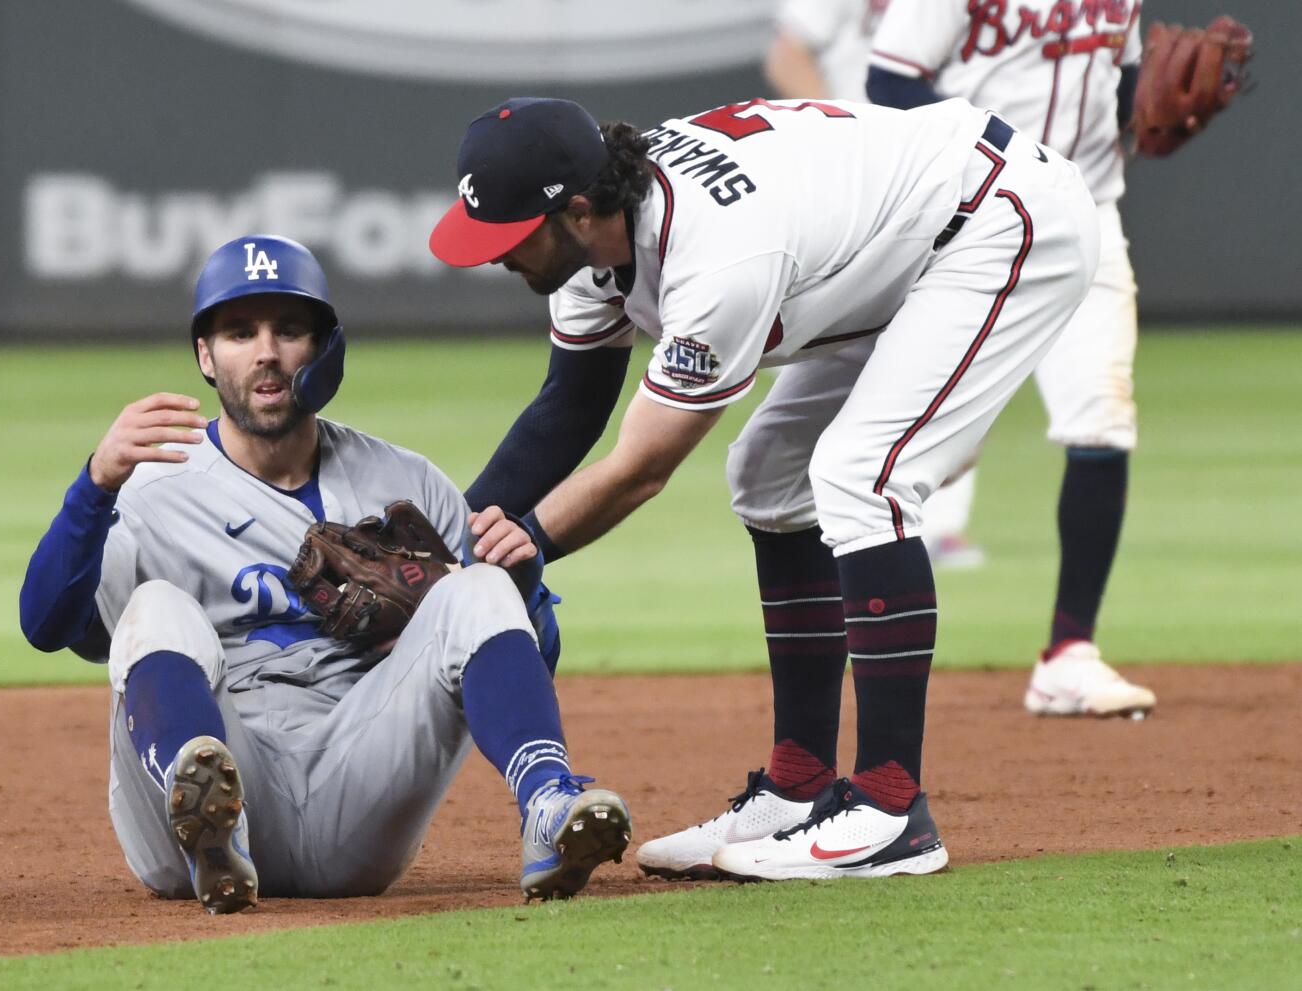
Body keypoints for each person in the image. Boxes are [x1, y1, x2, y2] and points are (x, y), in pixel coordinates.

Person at [429, 96, 1099, 881]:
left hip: (997, 219)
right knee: (768, 474)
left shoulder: (716, 261)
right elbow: (569, 408)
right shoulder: (597, 231)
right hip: (902, 244)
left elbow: (643, 466)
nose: (496, 256)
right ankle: (799, 786)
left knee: (862, 474)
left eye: (510, 236)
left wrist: (532, 538)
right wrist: (449, 543)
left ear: (576, 211)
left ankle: (891, 809)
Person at [18, 234, 631, 912]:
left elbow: (523, 658)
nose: (266, 352)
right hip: (200, 806)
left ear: (325, 346)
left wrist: (525, 586)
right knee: (156, 604)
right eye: (238, 331)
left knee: (478, 587)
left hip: (355, 782)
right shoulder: (150, 491)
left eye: (289, 328)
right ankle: (208, 815)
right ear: (204, 355)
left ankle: (548, 803)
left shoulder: (406, 482)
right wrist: (94, 486)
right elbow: (47, 625)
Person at [865, 0, 1157, 716]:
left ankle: (1069, 653)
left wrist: (1145, 115)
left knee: (1102, 419)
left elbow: (1126, 78)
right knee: (907, 444)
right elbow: (891, 82)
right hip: (975, 219)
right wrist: (1011, 150)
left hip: (1091, 214)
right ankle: (840, 625)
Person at [768, 0, 987, 570]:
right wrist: (840, 129)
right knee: (833, 352)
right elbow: (787, 55)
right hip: (859, 186)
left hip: (951, 179)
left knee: (951, 347)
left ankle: (931, 527)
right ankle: (811, 510)